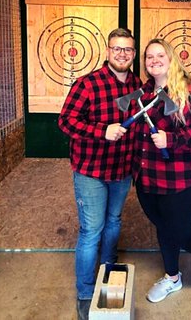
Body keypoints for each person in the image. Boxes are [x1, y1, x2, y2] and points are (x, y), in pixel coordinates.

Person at [58, 28, 142, 320]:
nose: (122, 54)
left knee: (114, 222)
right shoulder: (87, 84)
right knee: (91, 230)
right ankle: (84, 292)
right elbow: (65, 122)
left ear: (133, 53)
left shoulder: (136, 84)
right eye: (117, 49)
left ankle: (108, 272)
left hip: (121, 170)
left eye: (128, 50)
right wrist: (100, 131)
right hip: (91, 171)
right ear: (108, 51)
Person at [132, 38, 191, 303]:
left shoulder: (189, 91)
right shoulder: (144, 93)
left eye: (160, 55)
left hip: (181, 179)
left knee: (182, 231)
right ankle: (173, 277)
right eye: (149, 57)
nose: (154, 60)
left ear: (172, 59)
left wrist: (170, 140)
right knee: (164, 227)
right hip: (148, 177)